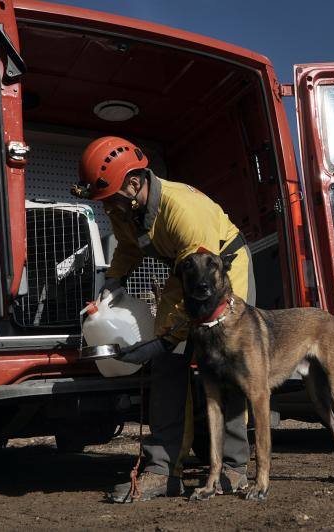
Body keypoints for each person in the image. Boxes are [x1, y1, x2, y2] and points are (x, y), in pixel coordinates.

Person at [72, 136, 255, 502]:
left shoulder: (185, 211)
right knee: (167, 370)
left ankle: (234, 467)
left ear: (135, 183)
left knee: (227, 366)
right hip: (183, 274)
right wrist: (114, 282)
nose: (108, 206)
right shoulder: (124, 206)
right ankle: (161, 470)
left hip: (219, 272)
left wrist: (166, 338)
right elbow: (127, 246)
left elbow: (204, 284)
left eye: (110, 198)